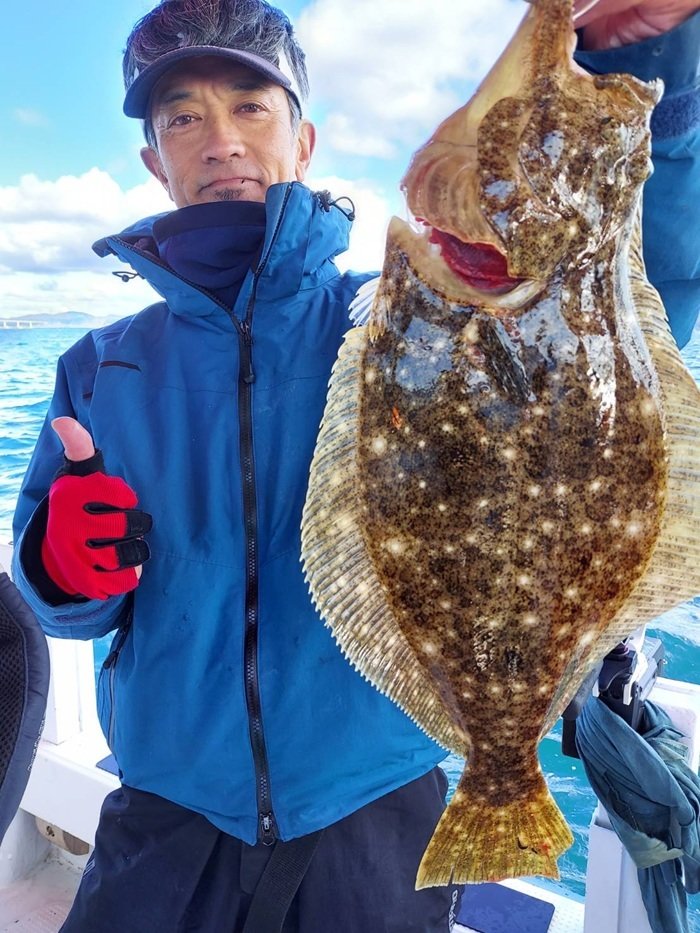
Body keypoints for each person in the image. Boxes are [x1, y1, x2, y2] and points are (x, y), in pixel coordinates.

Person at [11, 0, 700, 930]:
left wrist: (652, 65)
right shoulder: (100, 365)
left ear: (303, 142)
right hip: (168, 810)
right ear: (153, 159)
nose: (221, 140)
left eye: (250, 106)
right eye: (183, 117)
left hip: (373, 809)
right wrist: (59, 564)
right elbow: (64, 605)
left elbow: (631, 287)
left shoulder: (394, 320)